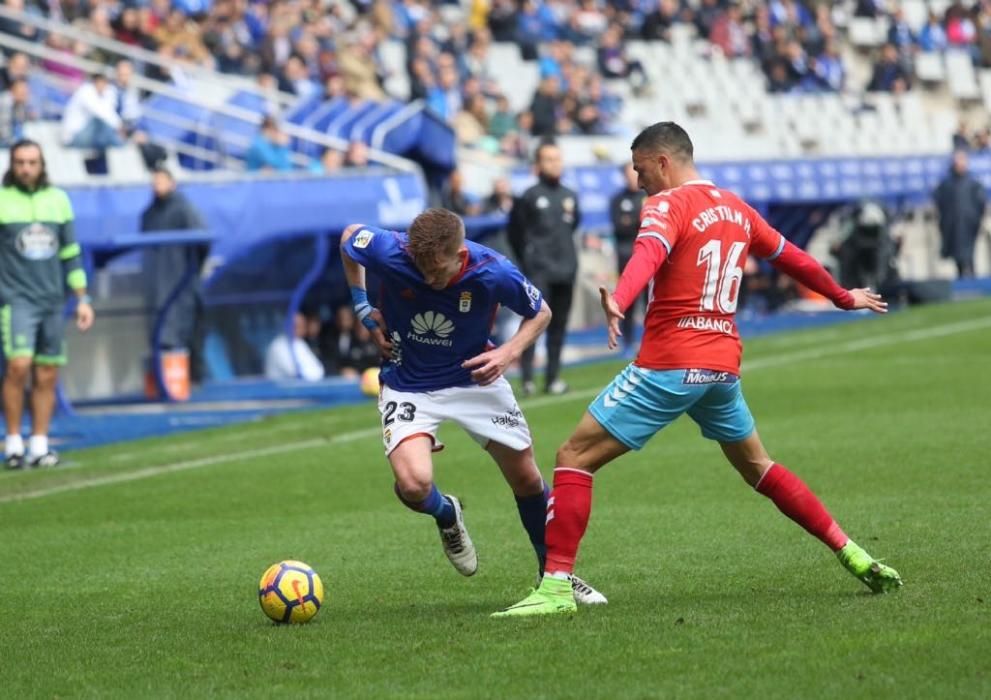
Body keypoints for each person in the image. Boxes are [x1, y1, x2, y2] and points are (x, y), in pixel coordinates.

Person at [494, 122, 902, 618]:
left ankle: (556, 586)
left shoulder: (667, 205)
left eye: (641, 169)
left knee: (573, 455)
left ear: (664, 162)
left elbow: (648, 253)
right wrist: (841, 295)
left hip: (671, 362)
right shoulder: (736, 207)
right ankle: (851, 551)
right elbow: (790, 255)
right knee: (760, 467)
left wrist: (620, 299)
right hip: (720, 366)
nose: (639, 179)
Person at [339, 208, 605, 604]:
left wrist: (508, 353)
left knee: (527, 479)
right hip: (408, 382)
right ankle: (447, 514)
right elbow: (349, 235)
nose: (429, 279)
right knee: (413, 485)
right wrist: (362, 307)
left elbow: (541, 312)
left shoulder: (493, 271)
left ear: (460, 256)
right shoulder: (391, 251)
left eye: (437, 270)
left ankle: (555, 576)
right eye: (420, 268)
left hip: (475, 378)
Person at [0, 140, 94, 469]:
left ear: (42, 165)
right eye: (20, 162)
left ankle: (39, 445)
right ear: (12, 165)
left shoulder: (58, 201)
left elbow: (70, 252)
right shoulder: (2, 201)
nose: (26, 168)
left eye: (32, 162)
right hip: (16, 300)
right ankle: (13, 443)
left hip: (53, 300)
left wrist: (82, 299)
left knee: (47, 373)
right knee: (18, 366)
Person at [507, 140, 581, 396]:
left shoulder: (569, 195)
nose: (554, 164)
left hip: (566, 270)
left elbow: (572, 227)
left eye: (557, 159)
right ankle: (527, 379)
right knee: (533, 323)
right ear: (538, 164)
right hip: (539, 271)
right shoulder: (529, 196)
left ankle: (552, 378)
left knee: (559, 326)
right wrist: (529, 261)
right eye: (549, 159)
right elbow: (515, 233)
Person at [140, 167, 209, 383]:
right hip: (157, 285)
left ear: (172, 183)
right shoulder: (149, 214)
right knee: (161, 336)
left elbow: (202, 241)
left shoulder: (184, 209)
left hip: (182, 284)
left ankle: (192, 381)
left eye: (161, 181)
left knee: (185, 332)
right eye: (154, 182)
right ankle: (168, 385)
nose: (157, 186)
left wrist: (192, 269)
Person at [609, 162, 646, 352]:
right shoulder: (617, 199)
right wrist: (636, 221)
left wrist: (630, 221)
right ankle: (627, 342)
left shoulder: (648, 196)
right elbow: (618, 227)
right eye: (628, 173)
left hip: (648, 257)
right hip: (626, 256)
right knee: (627, 301)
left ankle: (651, 341)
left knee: (651, 301)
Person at [934, 150, 986, 279]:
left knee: (969, 254)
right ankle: (962, 278)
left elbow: (981, 203)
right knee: (957, 255)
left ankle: (972, 278)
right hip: (952, 225)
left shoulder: (973, 183)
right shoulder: (946, 184)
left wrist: (974, 218)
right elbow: (940, 202)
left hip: (969, 224)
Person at [61, 73, 125, 149]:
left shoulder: (97, 94)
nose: (105, 87)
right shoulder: (86, 91)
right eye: (104, 83)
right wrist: (119, 126)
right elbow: (101, 113)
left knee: (104, 128)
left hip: (83, 136)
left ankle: (117, 143)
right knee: (99, 121)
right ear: (97, 82)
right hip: (72, 138)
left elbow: (107, 110)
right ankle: (118, 143)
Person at [264, 311, 326, 381]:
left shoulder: (300, 343)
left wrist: (313, 374)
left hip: (299, 388)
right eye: (296, 326)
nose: (301, 329)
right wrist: (312, 373)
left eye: (302, 325)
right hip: (279, 390)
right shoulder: (279, 345)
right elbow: (295, 372)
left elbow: (319, 369)